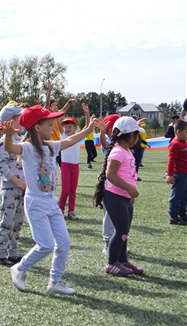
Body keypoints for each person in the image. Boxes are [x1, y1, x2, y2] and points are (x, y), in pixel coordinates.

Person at [5, 105, 96, 295]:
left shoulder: (51, 146)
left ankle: (55, 281)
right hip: (36, 203)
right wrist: (7, 135)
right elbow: (10, 147)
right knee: (45, 245)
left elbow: (71, 140)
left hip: (51, 202)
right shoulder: (28, 149)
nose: (54, 128)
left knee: (64, 243)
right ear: (37, 128)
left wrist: (88, 129)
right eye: (49, 124)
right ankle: (20, 268)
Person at [93, 117, 144, 277]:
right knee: (121, 230)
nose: (137, 139)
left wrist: (130, 192)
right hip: (115, 197)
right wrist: (129, 188)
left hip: (125, 197)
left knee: (125, 231)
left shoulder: (126, 151)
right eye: (137, 135)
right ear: (130, 136)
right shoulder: (117, 152)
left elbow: (128, 174)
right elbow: (111, 175)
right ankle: (111, 263)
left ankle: (122, 261)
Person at [0, 103, 26, 266]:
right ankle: (0, 254)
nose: (23, 120)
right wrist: (18, 181)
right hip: (10, 189)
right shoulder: (2, 142)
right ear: (10, 122)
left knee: (18, 222)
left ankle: (14, 253)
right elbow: (2, 165)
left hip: (22, 189)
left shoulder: (20, 140)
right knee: (7, 221)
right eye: (20, 118)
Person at [58, 104, 91, 221]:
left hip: (75, 166)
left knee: (72, 191)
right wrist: (56, 112)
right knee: (65, 190)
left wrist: (86, 113)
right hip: (65, 165)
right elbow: (57, 121)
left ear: (75, 128)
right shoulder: (63, 136)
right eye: (65, 127)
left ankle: (71, 211)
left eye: (69, 127)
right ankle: (60, 210)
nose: (67, 129)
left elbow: (87, 127)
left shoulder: (77, 137)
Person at [96, 113, 120, 254]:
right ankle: (107, 244)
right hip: (110, 186)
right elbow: (105, 143)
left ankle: (118, 242)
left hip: (121, 187)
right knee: (109, 216)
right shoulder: (111, 146)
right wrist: (103, 131)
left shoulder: (124, 146)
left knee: (120, 216)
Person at [165, 119, 187, 225]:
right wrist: (169, 174)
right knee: (177, 195)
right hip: (179, 174)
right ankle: (173, 216)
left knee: (184, 195)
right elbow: (171, 160)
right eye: (186, 132)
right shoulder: (175, 144)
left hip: (185, 173)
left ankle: (182, 214)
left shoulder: (184, 143)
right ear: (178, 132)